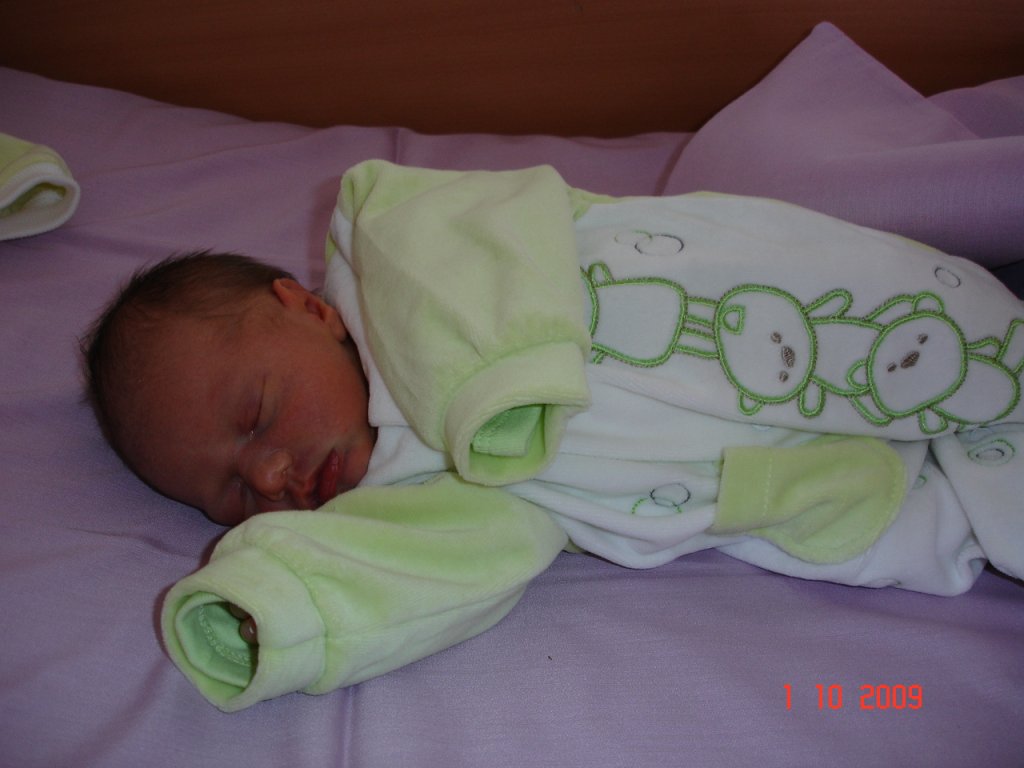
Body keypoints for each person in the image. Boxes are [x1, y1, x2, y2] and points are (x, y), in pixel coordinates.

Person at [85, 161, 1024, 710]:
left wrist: (495, 384)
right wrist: (277, 605)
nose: (271, 474)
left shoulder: (397, 247)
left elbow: (495, 217)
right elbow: (432, 569)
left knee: (948, 341)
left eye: (255, 416)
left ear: (306, 308)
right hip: (800, 473)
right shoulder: (411, 493)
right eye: (233, 492)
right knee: (938, 516)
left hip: (747, 317)